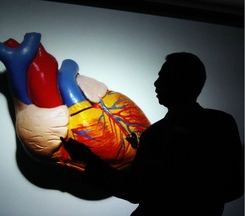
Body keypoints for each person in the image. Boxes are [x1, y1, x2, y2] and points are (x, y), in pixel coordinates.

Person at [62, 52, 243, 216]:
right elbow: (134, 189)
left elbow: (234, 185)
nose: (156, 83)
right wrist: (88, 158)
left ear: (184, 81)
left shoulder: (217, 124)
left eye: (163, 77)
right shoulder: (153, 134)